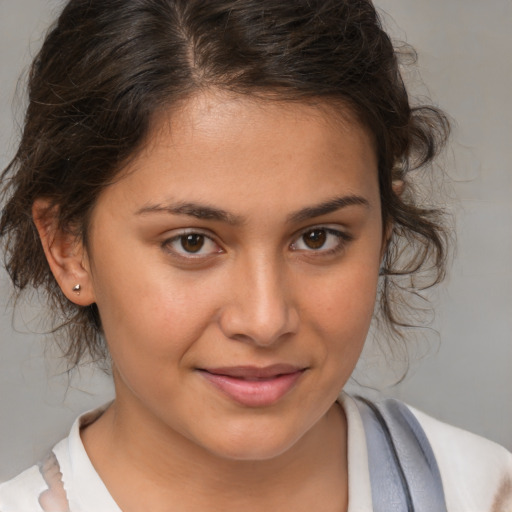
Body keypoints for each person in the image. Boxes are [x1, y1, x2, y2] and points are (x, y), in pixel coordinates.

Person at [0, 0, 510, 510]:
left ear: (385, 229)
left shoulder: (487, 493)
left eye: (318, 238)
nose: (265, 321)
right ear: (69, 248)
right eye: (191, 242)